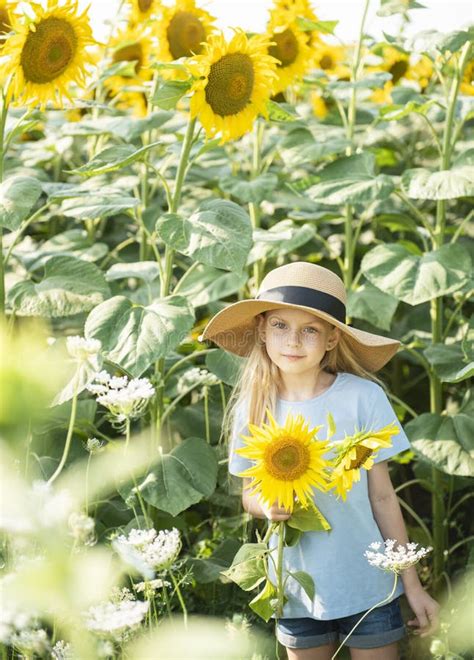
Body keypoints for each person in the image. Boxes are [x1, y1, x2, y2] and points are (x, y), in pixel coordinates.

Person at [199, 261, 440, 660]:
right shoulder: (255, 407)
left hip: (369, 581)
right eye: (280, 325)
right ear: (261, 330)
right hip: (296, 584)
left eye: (309, 328)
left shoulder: (362, 399)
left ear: (331, 338)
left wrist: (411, 585)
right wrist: (266, 506)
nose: (293, 340)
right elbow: (249, 494)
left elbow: (381, 497)